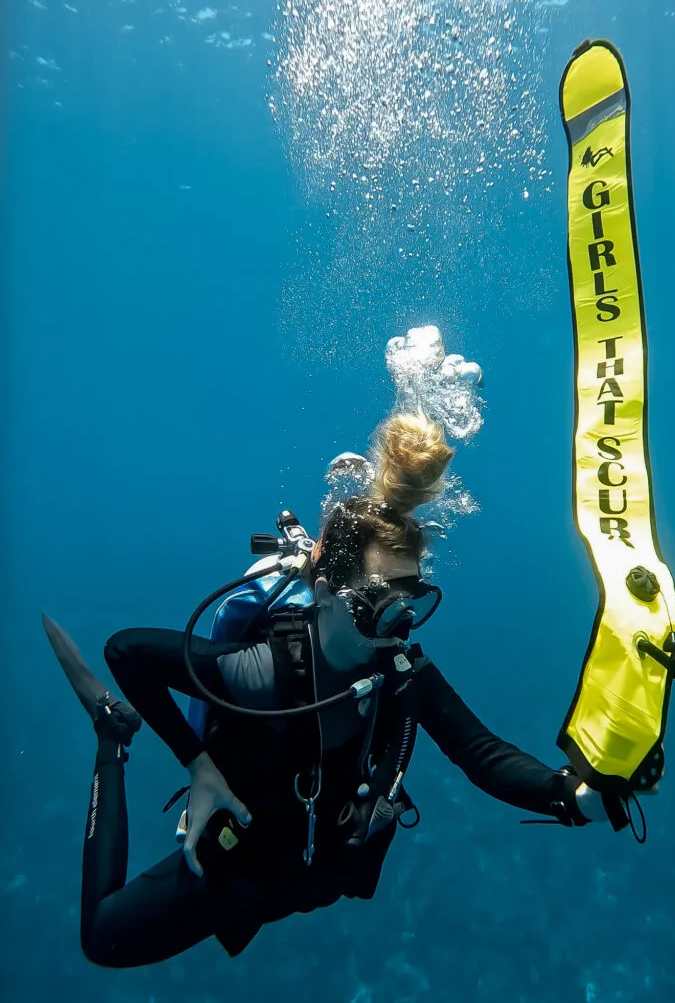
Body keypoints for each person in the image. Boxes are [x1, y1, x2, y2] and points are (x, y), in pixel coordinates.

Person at [43, 412, 613, 970]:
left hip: (322, 866)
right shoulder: (263, 670)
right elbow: (126, 651)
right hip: (246, 861)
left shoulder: (399, 668)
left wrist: (569, 795)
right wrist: (199, 765)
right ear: (323, 593)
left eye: (409, 600)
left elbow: (479, 752)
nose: (399, 623)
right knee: (103, 938)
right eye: (378, 601)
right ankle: (112, 735)